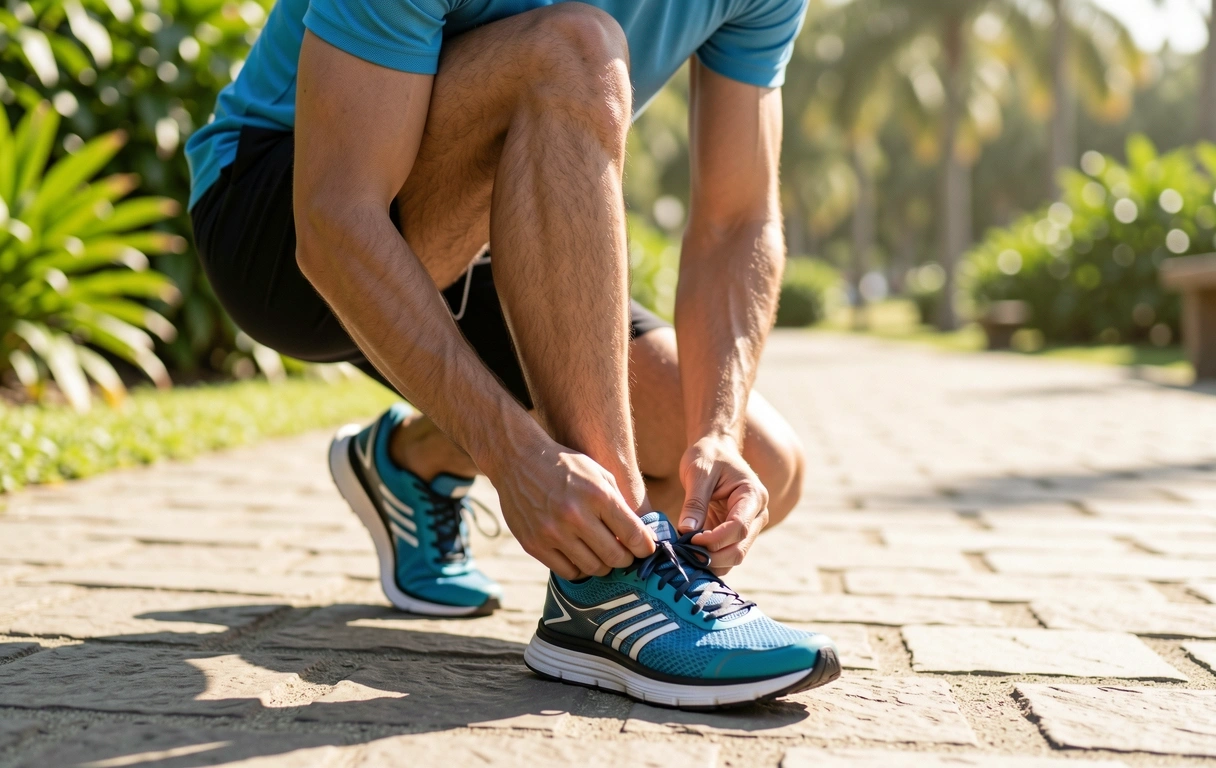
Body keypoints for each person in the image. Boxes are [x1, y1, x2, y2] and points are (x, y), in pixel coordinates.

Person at [187, 0, 839, 708]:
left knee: (763, 463)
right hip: (280, 222)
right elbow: (332, 217)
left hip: (496, 231)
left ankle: (412, 462)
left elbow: (736, 219)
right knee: (575, 47)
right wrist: (513, 456)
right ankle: (608, 587)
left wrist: (717, 429)